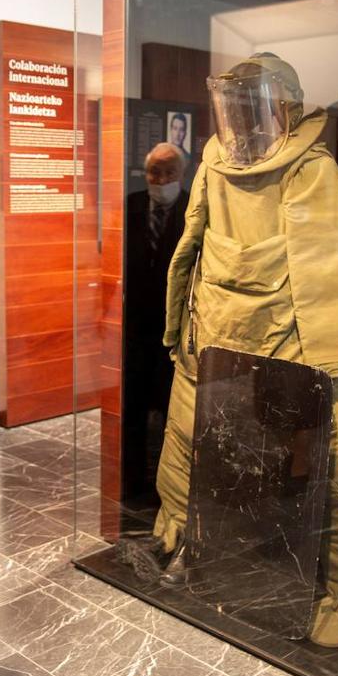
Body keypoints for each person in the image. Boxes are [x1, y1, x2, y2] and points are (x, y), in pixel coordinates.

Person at [121, 142, 189, 500]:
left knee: (169, 411)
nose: (160, 179)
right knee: (131, 410)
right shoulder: (130, 206)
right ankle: (130, 480)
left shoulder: (195, 209)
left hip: (174, 330)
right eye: (154, 172)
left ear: (181, 175)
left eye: (168, 173)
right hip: (134, 330)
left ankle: (169, 486)